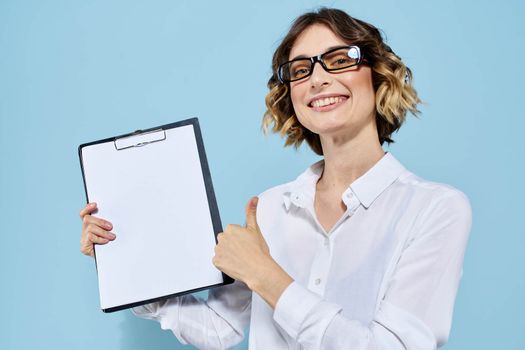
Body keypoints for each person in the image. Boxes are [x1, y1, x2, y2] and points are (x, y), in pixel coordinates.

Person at [79, 8, 472, 349]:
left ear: (378, 74)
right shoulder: (269, 208)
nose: (317, 79)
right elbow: (219, 329)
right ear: (291, 96)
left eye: (338, 59)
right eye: (301, 70)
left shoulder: (434, 209)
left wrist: (266, 275)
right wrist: (123, 264)